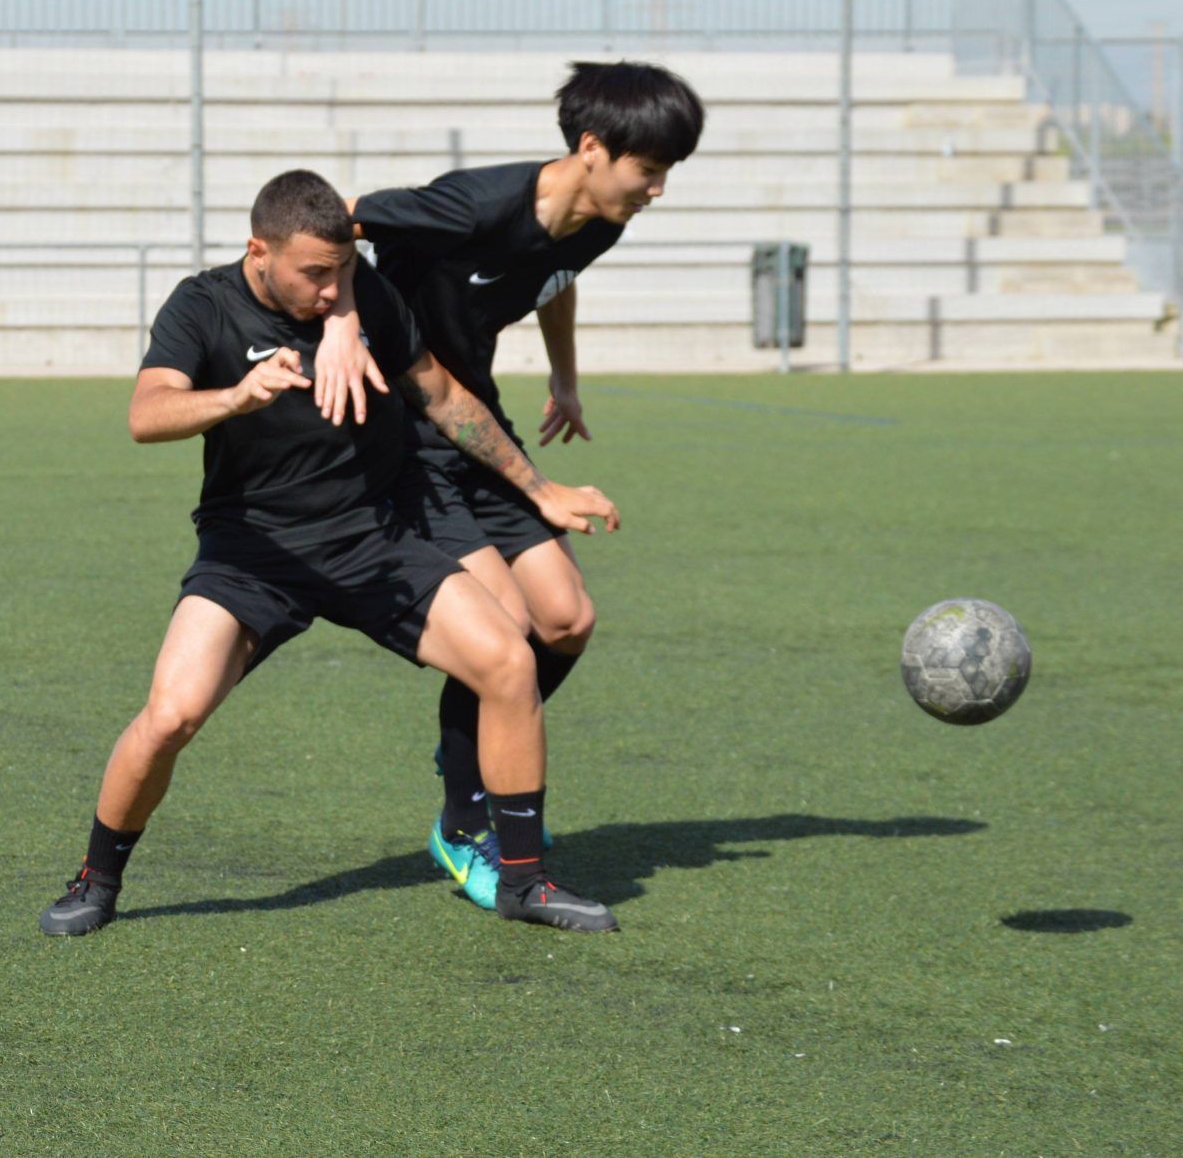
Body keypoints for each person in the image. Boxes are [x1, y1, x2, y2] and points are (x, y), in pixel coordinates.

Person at [40, 169, 621, 937]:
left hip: (374, 540)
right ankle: (96, 879)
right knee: (171, 715)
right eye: (314, 272)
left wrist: (538, 489)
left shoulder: (363, 295)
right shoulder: (202, 304)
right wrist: (236, 396)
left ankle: (521, 880)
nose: (329, 289)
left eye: (339, 270)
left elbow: (443, 398)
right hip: (255, 551)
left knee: (509, 663)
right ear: (259, 251)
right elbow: (147, 414)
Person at [313, 60, 706, 911]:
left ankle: (477, 761)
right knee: (507, 638)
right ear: (593, 149)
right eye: (650, 171)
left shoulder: (601, 218)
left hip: (478, 424)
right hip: (406, 435)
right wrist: (343, 321)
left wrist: (565, 378)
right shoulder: (472, 205)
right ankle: (465, 820)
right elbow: (333, 221)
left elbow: (554, 281)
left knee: (566, 621)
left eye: (668, 173)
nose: (658, 190)